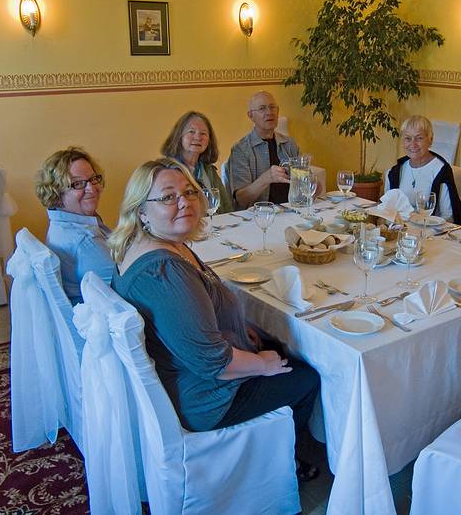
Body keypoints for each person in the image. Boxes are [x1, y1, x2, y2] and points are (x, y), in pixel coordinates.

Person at [109, 157, 320, 480]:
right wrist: (263, 364)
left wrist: (240, 328)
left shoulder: (155, 245)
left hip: (186, 369)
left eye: (189, 193)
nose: (184, 203)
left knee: (275, 341)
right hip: (206, 397)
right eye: (167, 197)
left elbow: (191, 318)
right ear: (140, 211)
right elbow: (214, 365)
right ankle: (277, 467)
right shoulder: (164, 271)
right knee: (306, 375)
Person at [35, 147, 114, 304]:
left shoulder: (69, 223)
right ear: (56, 193)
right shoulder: (83, 241)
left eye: (93, 179)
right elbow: (125, 288)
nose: (91, 188)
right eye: (78, 184)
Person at [384, 115, 461, 225]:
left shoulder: (441, 171)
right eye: (408, 138)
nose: (413, 144)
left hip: (431, 232)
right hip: (399, 230)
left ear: (430, 139)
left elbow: (448, 216)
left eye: (419, 138)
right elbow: (388, 208)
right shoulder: (394, 172)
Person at [225, 91, 299, 209]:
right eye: (262, 108)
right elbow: (241, 199)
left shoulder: (289, 144)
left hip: (291, 210)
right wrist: (267, 178)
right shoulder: (241, 150)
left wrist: (312, 185)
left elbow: (300, 184)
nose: (269, 112)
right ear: (251, 116)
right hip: (258, 217)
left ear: (278, 111)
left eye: (272, 107)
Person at [160, 110, 233, 213]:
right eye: (191, 132)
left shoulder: (209, 170)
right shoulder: (166, 171)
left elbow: (226, 207)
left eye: (203, 133)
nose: (198, 137)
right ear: (179, 136)